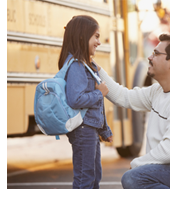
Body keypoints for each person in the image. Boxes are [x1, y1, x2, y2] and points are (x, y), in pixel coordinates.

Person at [95, 33, 170, 189]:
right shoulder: (157, 91)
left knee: (134, 178)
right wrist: (95, 68)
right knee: (136, 177)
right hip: (166, 169)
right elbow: (123, 96)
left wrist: (138, 163)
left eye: (156, 53)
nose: (150, 57)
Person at [58, 15, 113, 189]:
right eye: (96, 36)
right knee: (85, 179)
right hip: (83, 130)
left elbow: (96, 107)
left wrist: (104, 129)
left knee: (94, 176)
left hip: (90, 128)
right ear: (82, 37)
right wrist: (98, 93)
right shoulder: (76, 65)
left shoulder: (87, 64)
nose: (99, 42)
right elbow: (76, 99)